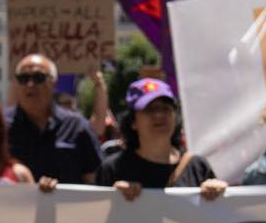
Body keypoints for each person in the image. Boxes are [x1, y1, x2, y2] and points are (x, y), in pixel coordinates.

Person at [95, 77, 229, 200]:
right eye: (149, 109)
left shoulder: (196, 166)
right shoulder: (112, 170)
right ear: (133, 122)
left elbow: (220, 218)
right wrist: (114, 200)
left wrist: (219, 193)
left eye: (166, 108)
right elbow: (94, 219)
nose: (159, 115)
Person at [6, 53, 102, 188]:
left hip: (68, 208)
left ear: (53, 81)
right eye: (23, 78)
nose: (30, 84)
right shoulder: (1, 128)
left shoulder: (76, 126)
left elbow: (95, 179)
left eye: (38, 78)